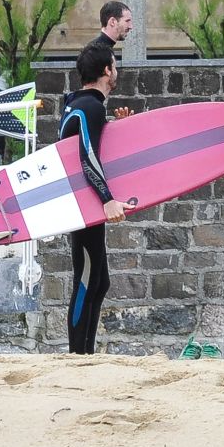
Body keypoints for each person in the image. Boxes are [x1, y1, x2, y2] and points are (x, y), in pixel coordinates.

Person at [60, 43, 131, 355]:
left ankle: (85, 352)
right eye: (114, 65)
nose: (115, 71)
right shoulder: (90, 106)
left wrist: (119, 127)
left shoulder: (80, 104)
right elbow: (86, 155)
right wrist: (107, 198)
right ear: (106, 71)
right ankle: (77, 355)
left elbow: (93, 142)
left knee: (99, 281)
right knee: (87, 279)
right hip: (85, 202)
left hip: (85, 202)